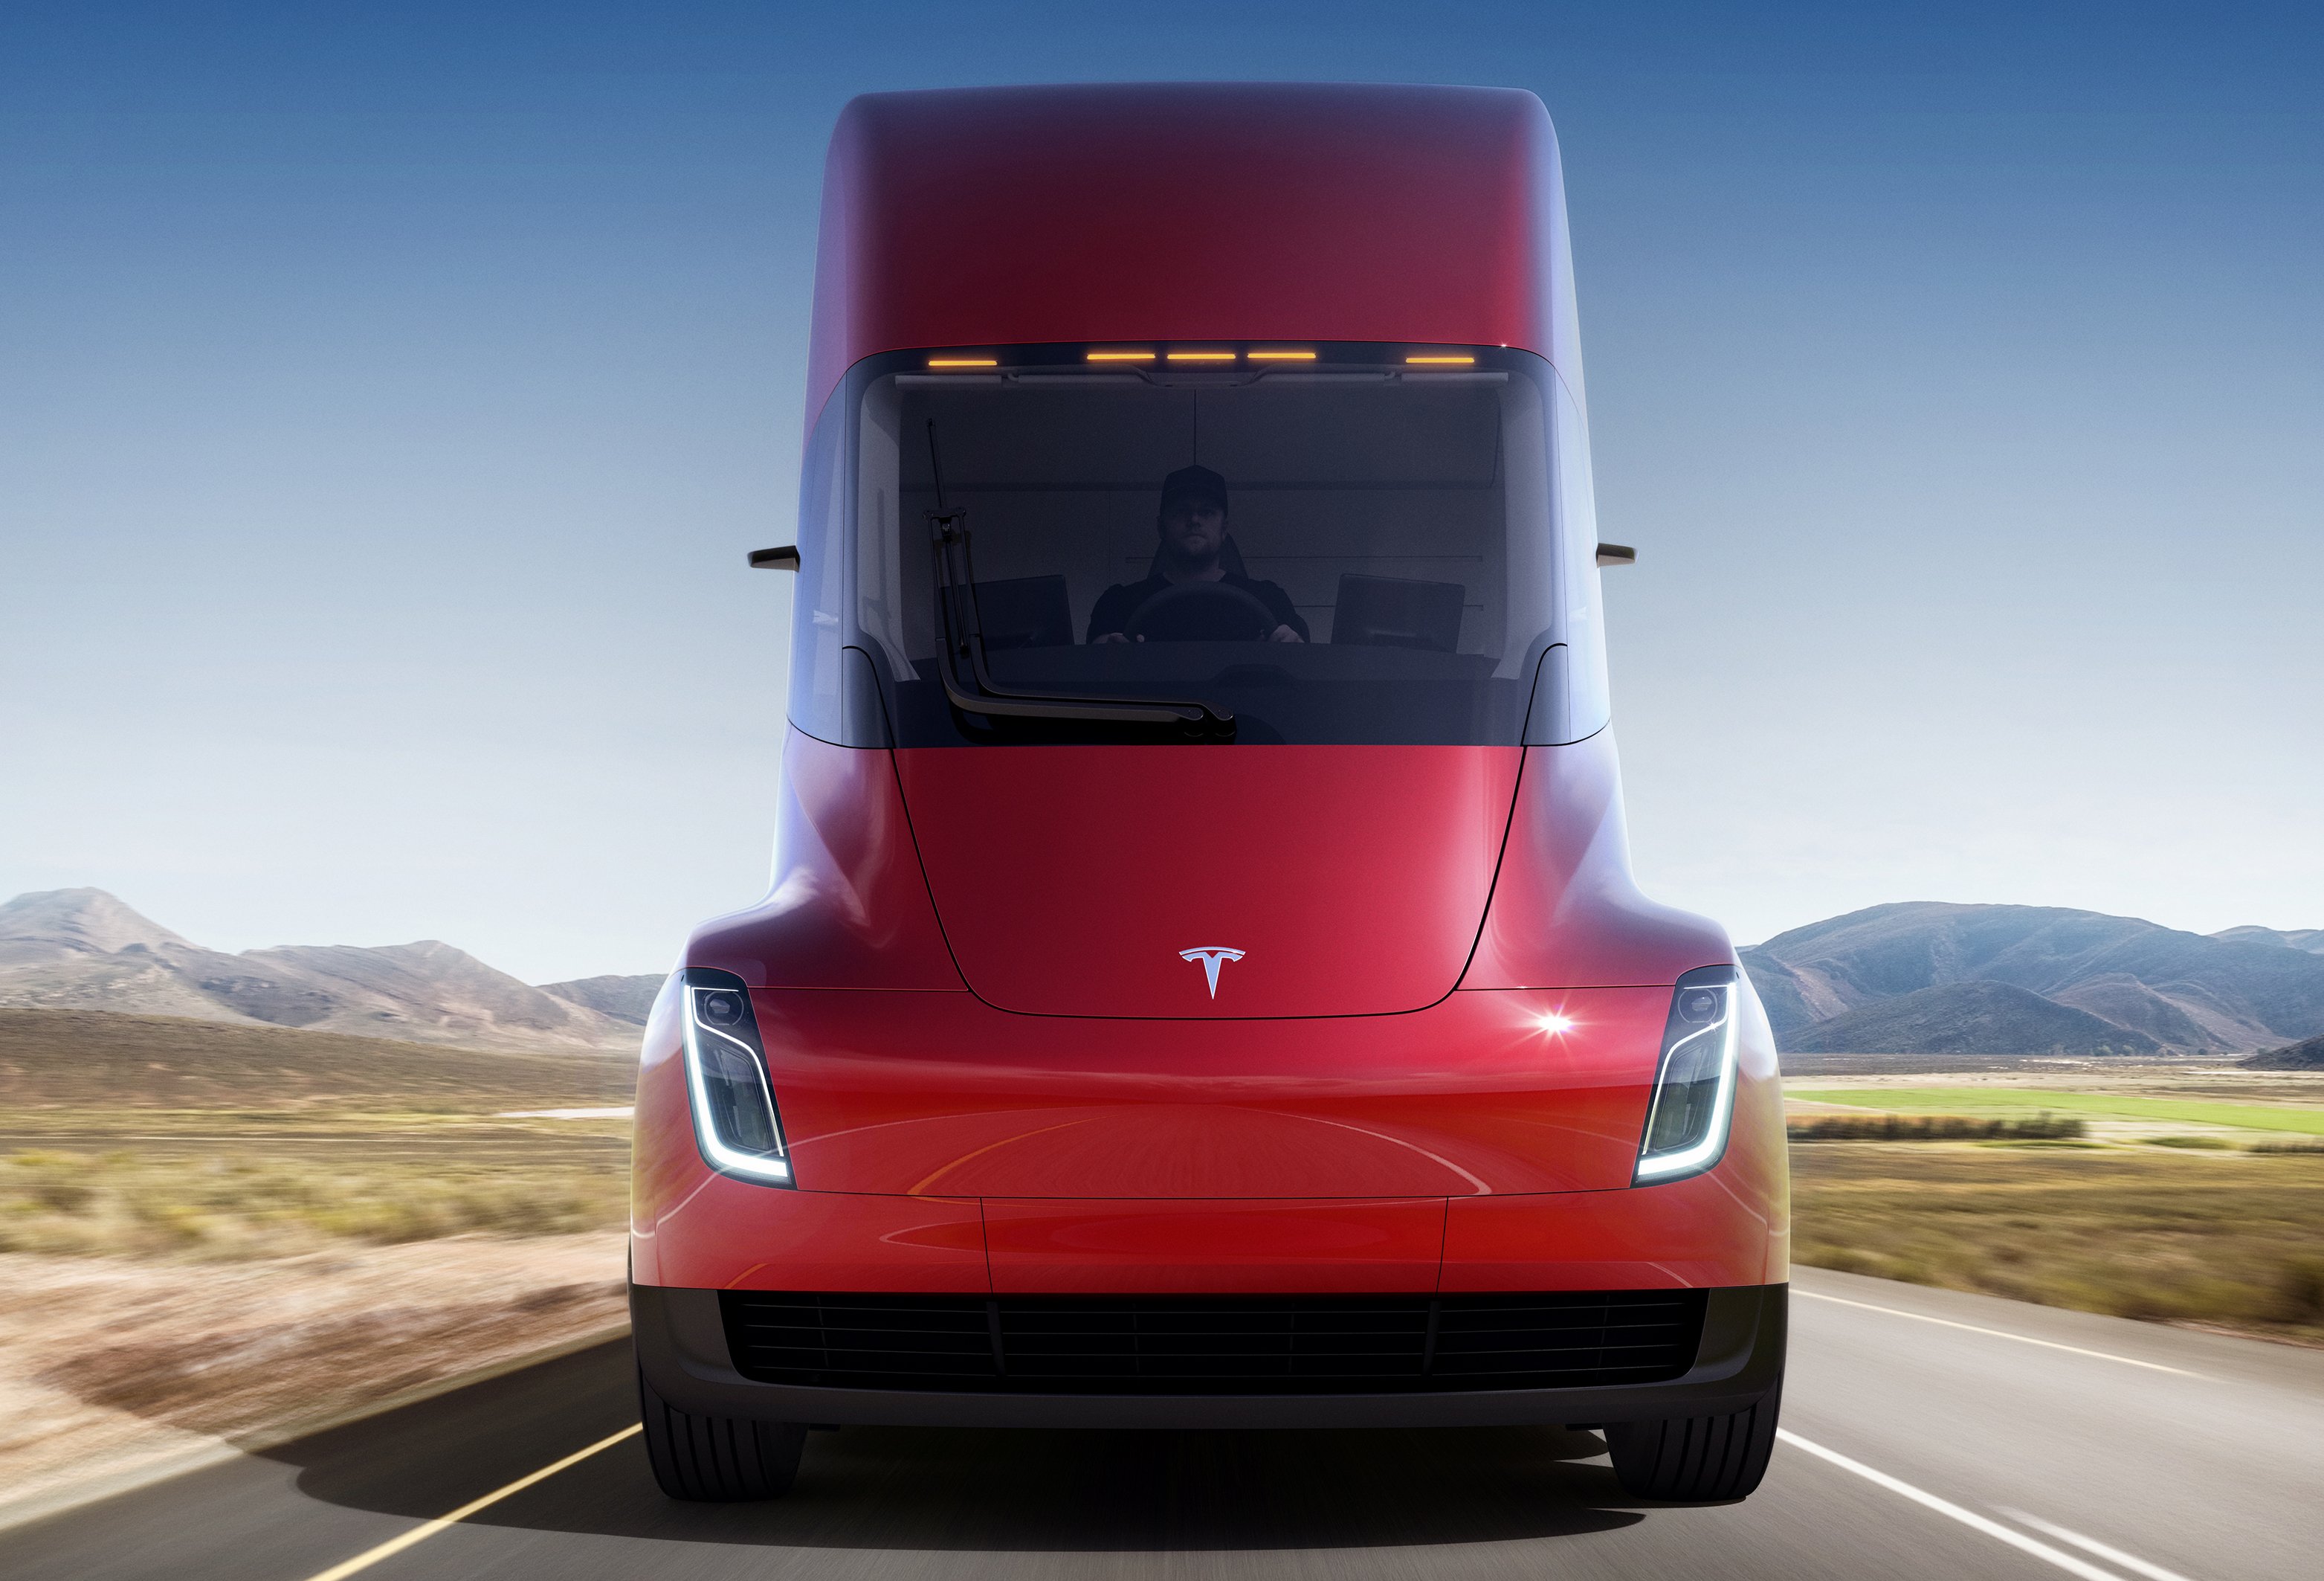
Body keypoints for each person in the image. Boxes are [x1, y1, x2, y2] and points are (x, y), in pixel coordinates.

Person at [1087, 465, 1309, 644]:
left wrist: (1293, 646)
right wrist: (1105, 652)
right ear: (1161, 528)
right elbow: (1090, 671)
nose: (1194, 520)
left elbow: (1302, 665)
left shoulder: (1270, 599)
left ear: (1224, 529)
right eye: (1181, 511)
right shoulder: (1118, 604)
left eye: (1207, 511)